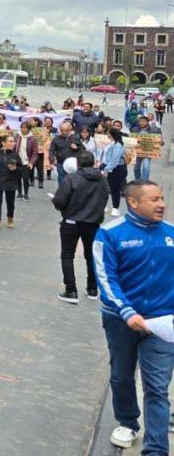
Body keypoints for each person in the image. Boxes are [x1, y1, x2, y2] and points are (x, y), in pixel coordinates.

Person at [93, 180, 174, 453]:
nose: (161, 204)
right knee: (122, 375)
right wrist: (127, 312)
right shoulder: (109, 234)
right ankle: (127, 423)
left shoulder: (171, 234)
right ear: (133, 202)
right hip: (120, 321)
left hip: (161, 325)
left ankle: (156, 449)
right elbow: (106, 279)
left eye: (162, 198)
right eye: (154, 199)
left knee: (157, 388)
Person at [51, 150, 109, 304]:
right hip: (93, 223)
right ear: (93, 162)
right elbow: (104, 198)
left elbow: (59, 201)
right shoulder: (102, 180)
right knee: (91, 255)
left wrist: (60, 205)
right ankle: (92, 288)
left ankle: (71, 290)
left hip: (72, 222)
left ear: (78, 163)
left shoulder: (72, 178)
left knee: (67, 255)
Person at [0, 134, 22, 230]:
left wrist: (15, 169)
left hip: (11, 182)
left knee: (10, 203)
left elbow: (22, 170)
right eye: (10, 141)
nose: (13, 143)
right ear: (3, 143)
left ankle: (10, 219)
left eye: (13, 141)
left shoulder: (15, 155)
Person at [101, 129, 127, 217]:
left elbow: (115, 160)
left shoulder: (118, 145)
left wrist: (107, 170)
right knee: (104, 188)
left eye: (108, 133)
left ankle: (115, 208)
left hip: (116, 169)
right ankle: (103, 206)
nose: (107, 134)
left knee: (114, 189)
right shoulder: (111, 143)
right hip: (108, 167)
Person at [50, 120, 83, 186]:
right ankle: (62, 194)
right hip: (60, 163)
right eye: (62, 131)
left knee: (72, 180)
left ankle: (71, 195)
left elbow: (83, 150)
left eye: (66, 131)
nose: (64, 132)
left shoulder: (75, 138)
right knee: (62, 180)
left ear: (70, 130)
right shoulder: (56, 139)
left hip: (72, 164)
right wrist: (53, 160)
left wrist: (77, 148)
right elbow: (51, 150)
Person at [132, 114, 162, 181]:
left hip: (148, 152)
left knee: (146, 167)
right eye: (141, 121)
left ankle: (144, 182)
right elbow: (131, 140)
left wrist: (161, 143)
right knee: (136, 168)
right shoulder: (134, 129)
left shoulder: (154, 130)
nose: (142, 122)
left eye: (144, 121)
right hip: (137, 153)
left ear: (148, 122)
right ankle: (137, 180)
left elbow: (160, 141)